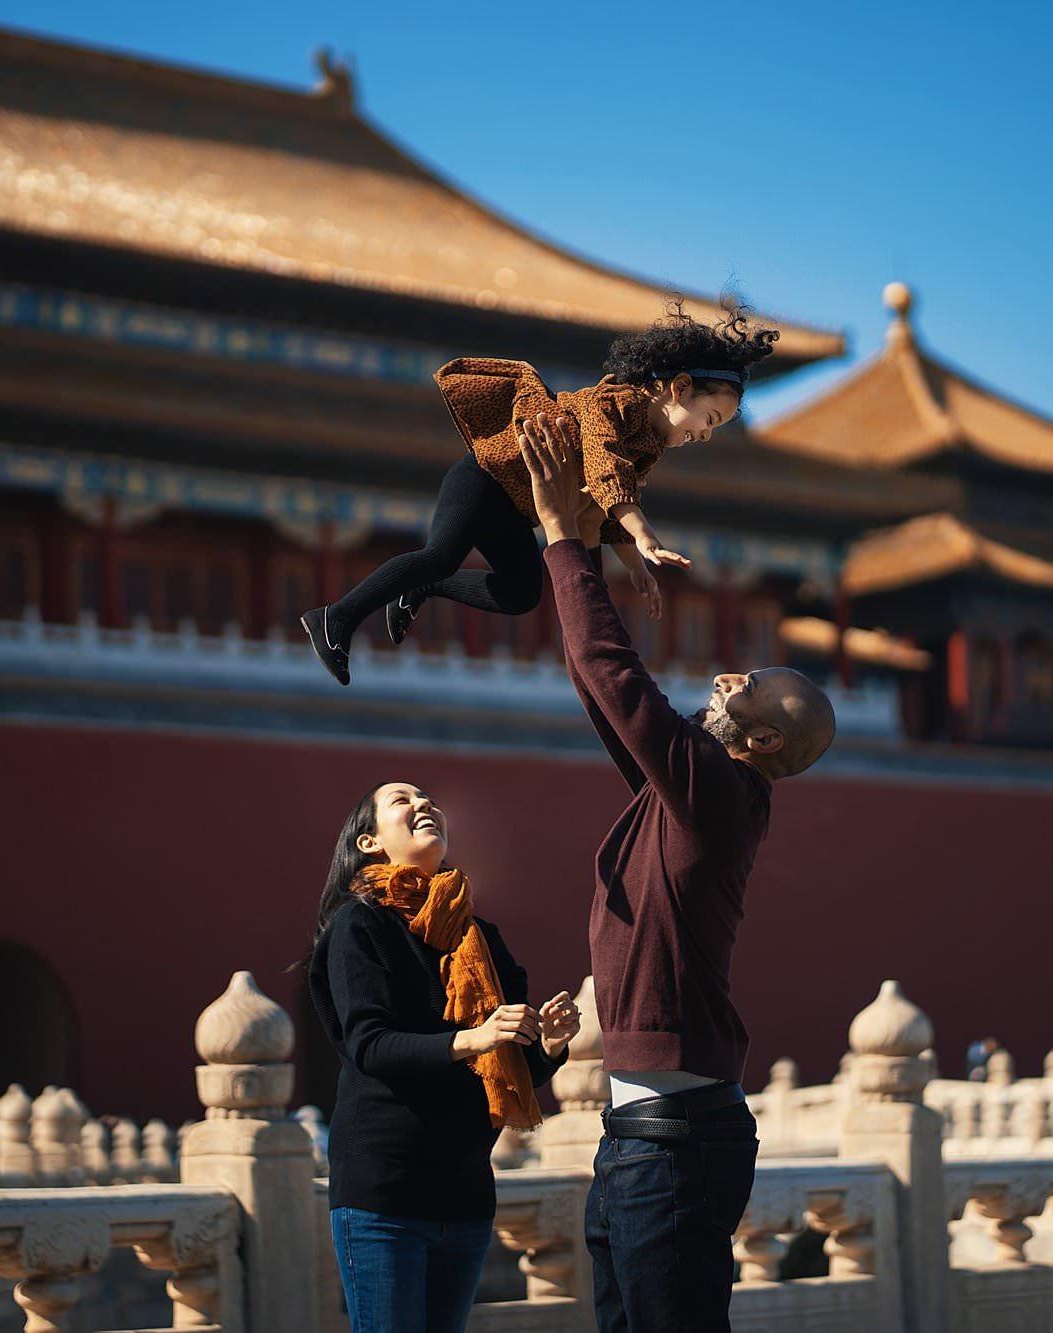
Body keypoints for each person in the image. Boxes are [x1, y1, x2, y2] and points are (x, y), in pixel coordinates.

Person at [518, 414, 837, 1333]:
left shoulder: (721, 794)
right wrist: (575, 539)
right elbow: (604, 697)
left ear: (764, 740)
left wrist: (558, 536)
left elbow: (615, 677)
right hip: (639, 1140)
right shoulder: (693, 793)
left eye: (751, 686)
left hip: (676, 1145)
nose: (730, 678)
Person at [299, 300, 780, 684]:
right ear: (678, 387)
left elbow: (608, 505)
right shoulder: (610, 404)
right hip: (484, 479)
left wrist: (636, 565)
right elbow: (603, 464)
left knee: (519, 593)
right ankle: (335, 618)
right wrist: (646, 536)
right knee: (441, 554)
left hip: (516, 508)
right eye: (711, 419)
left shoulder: (649, 447)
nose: (707, 435)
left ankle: (423, 589)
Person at [308, 780, 583, 1333]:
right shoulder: (358, 924)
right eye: (402, 801)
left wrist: (549, 1043)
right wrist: (474, 1038)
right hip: (385, 1192)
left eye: (428, 799)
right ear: (368, 842)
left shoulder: (480, 936)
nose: (424, 806)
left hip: (465, 1193)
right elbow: (370, 1045)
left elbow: (509, 1072)